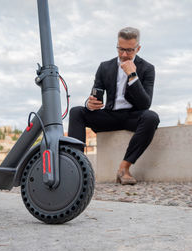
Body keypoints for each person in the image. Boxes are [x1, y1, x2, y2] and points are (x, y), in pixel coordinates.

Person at [68, 27, 159, 185]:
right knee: (76, 111)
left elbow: (145, 103)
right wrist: (90, 104)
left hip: (132, 116)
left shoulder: (147, 68)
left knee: (152, 117)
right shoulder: (105, 67)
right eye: (121, 49)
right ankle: (75, 167)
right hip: (109, 115)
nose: (124, 54)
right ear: (117, 45)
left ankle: (124, 168)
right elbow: (96, 93)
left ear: (138, 48)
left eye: (129, 50)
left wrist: (132, 75)